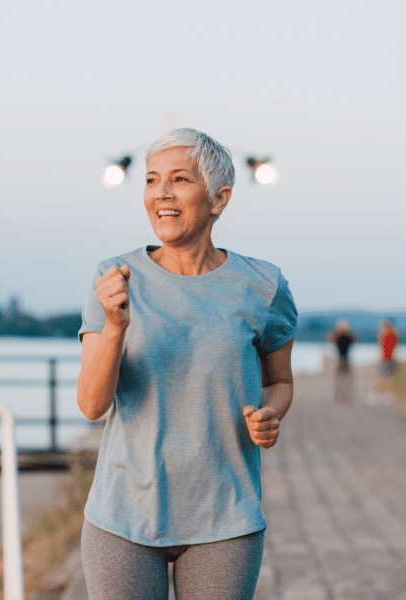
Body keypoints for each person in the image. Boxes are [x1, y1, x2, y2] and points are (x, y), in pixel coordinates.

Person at [76, 128, 298, 600]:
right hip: (122, 518)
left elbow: (279, 381)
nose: (162, 193)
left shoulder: (264, 285)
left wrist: (272, 413)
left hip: (225, 519)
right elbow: (92, 404)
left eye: (179, 179)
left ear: (219, 198)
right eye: (152, 180)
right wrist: (115, 327)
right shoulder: (114, 278)